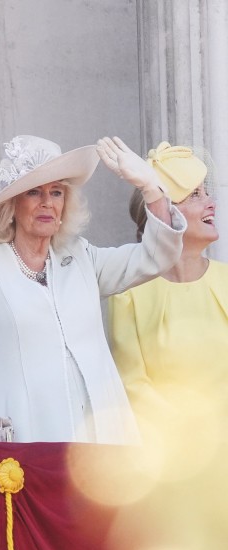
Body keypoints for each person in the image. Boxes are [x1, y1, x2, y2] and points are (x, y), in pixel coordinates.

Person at [0, 135, 186, 444]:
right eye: (34, 192)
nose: (47, 202)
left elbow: (157, 256)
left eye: (56, 192)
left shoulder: (83, 258)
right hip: (25, 446)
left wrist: (151, 189)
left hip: (101, 446)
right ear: (12, 204)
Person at [108, 142, 228, 416]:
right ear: (166, 215)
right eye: (195, 194)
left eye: (207, 193)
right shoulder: (128, 294)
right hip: (170, 448)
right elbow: (133, 385)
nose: (212, 202)